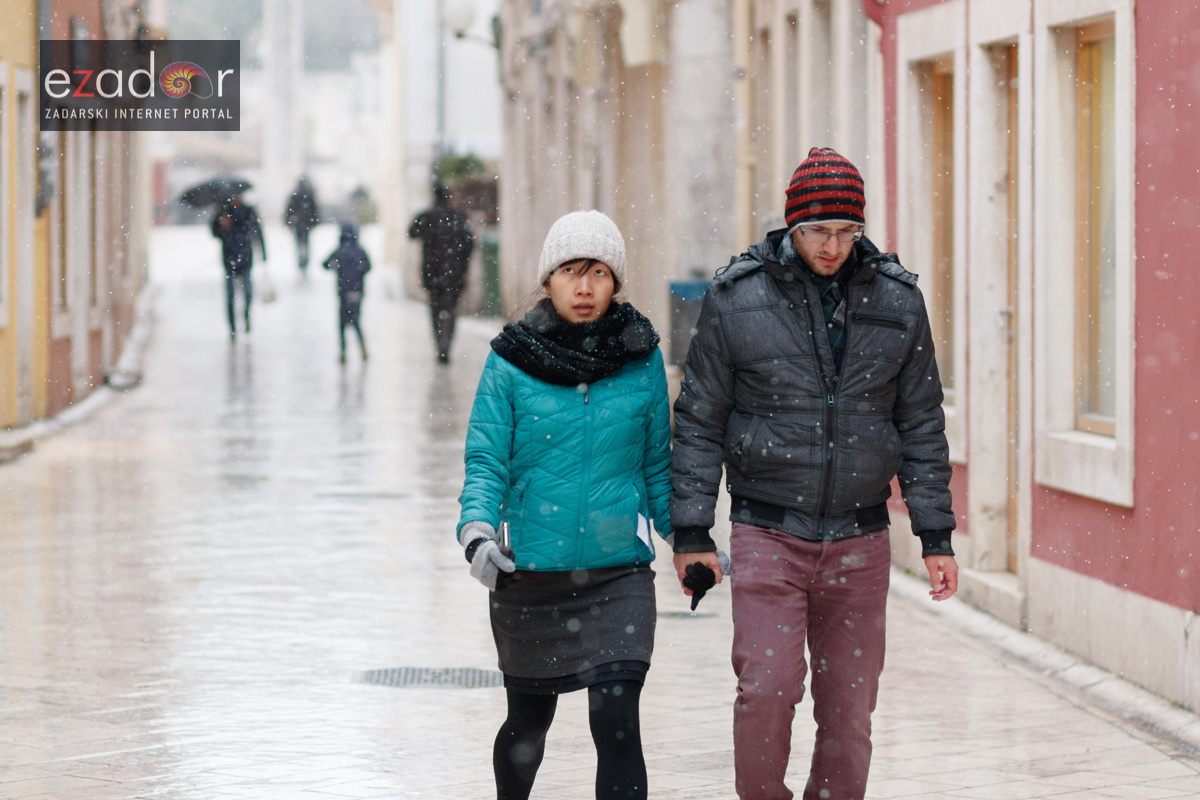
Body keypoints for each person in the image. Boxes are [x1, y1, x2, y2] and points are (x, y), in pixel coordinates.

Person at [669, 147, 959, 800]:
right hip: (767, 530)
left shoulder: (898, 301)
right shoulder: (736, 298)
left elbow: (921, 422)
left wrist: (935, 534)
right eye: (818, 230)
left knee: (850, 711)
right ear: (792, 226)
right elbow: (699, 420)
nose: (832, 246)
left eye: (847, 231)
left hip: (861, 536)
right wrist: (691, 530)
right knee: (767, 690)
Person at [456, 210, 672, 800]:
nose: (584, 286)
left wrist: (691, 538)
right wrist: (477, 530)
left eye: (599, 272)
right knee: (528, 723)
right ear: (548, 279)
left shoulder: (642, 357)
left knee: (618, 722)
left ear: (615, 281)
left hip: (618, 574)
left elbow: (657, 464)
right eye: (571, 271)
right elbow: (487, 460)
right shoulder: (511, 360)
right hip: (531, 573)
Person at [408, 183, 474, 363]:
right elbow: (469, 244)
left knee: (435, 310)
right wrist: (462, 264)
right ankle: (446, 346)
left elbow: (411, 233)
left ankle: (439, 345)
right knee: (451, 310)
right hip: (455, 273)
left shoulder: (427, 216)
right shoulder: (459, 217)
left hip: (433, 272)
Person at [210, 194, 267, 341]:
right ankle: (232, 327)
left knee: (248, 293)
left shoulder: (248, 211)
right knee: (230, 295)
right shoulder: (223, 212)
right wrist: (222, 225)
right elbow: (215, 233)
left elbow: (257, 231)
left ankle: (246, 316)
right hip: (228, 259)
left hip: (246, 258)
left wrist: (263, 253)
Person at [322, 222, 372, 364]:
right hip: (357, 291)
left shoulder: (339, 251)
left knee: (342, 323)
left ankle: (343, 351)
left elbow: (324, 264)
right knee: (356, 320)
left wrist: (335, 267)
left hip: (343, 291)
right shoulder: (360, 251)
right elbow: (369, 267)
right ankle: (362, 347)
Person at [284, 176, 320, 278]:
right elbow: (314, 210)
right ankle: (304, 263)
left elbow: (289, 210)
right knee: (306, 244)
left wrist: (289, 222)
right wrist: (314, 222)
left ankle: (301, 263)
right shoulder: (309, 194)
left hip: (298, 223)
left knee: (299, 244)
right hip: (306, 223)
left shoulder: (295, 195)